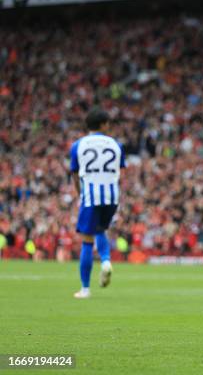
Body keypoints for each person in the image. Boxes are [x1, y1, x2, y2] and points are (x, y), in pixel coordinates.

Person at [70, 106, 125, 299]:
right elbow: (120, 174)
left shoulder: (78, 145)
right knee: (101, 229)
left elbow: (75, 175)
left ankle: (85, 289)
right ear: (103, 124)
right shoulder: (116, 145)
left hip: (90, 196)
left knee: (87, 240)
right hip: (112, 196)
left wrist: (80, 194)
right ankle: (106, 261)